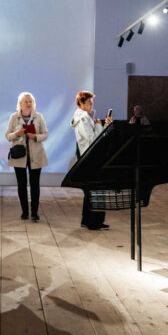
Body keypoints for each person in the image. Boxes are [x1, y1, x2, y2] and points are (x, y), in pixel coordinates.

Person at [71, 90, 111, 230]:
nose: (91, 104)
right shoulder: (83, 118)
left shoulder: (84, 117)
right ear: (81, 103)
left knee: (90, 190)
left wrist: (104, 125)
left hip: (89, 157)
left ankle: (87, 220)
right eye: (89, 102)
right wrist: (99, 125)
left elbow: (94, 137)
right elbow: (92, 139)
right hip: (91, 157)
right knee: (96, 189)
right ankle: (94, 222)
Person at [5, 92, 48, 221]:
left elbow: (45, 134)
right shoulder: (14, 117)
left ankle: (34, 213)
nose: (29, 104)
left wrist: (35, 136)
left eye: (31, 102)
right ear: (20, 104)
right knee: (21, 185)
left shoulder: (38, 117)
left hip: (36, 156)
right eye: (26, 102)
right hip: (19, 156)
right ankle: (24, 212)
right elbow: (7, 136)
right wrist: (17, 134)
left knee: (35, 185)